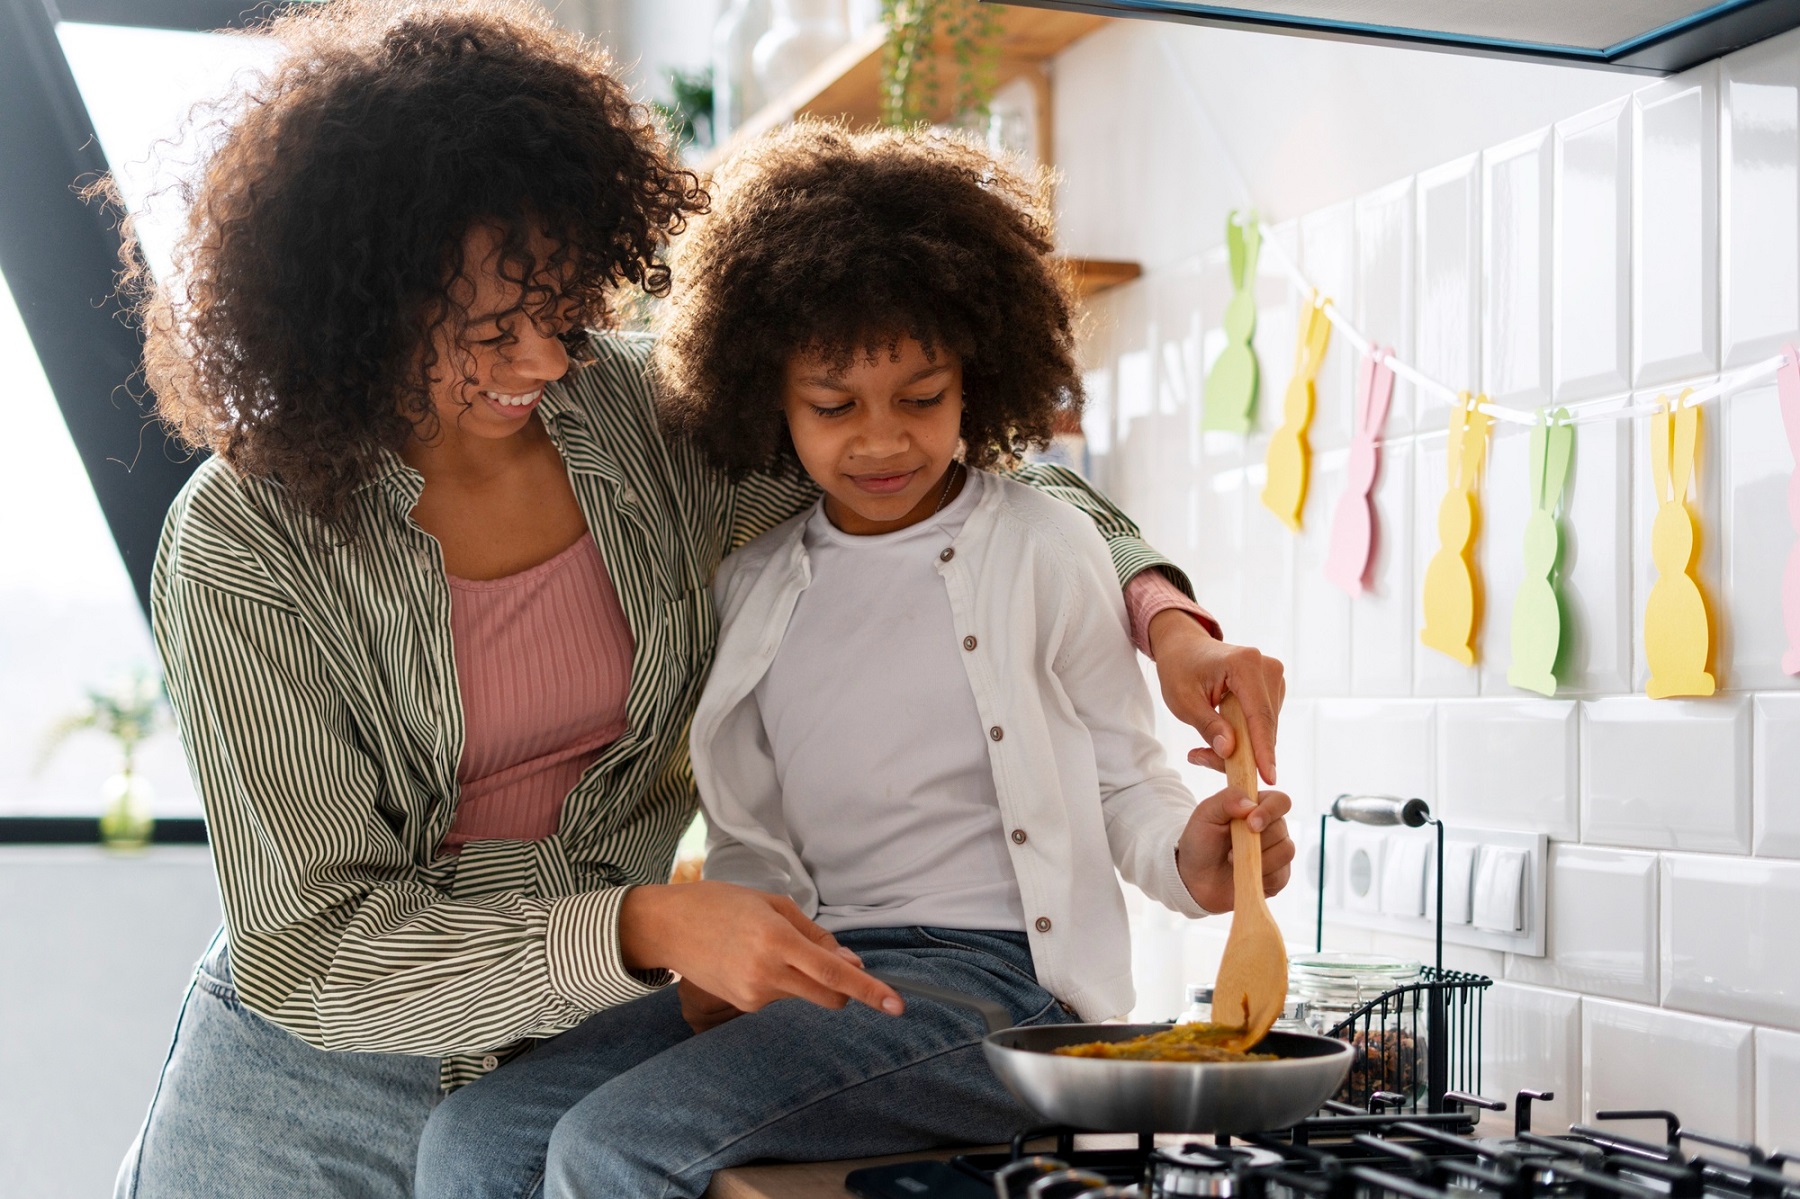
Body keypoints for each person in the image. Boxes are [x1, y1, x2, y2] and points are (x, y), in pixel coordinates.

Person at [111, 4, 1287, 1197]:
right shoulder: (243, 541)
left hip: (582, 1051)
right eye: (490, 331)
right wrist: (645, 925)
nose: (545, 361)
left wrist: (1164, 620)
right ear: (358, 309)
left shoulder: (642, 422)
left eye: (560, 308)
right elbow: (312, 949)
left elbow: (962, 484)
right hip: (320, 1094)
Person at [410, 122, 1296, 1199]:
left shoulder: (1041, 545)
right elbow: (752, 836)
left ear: (980, 381)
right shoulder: (754, 582)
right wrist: (729, 961)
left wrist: (1190, 860)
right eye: (833, 406)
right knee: (475, 1137)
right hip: (815, 969)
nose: (882, 440)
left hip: (1001, 989)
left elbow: (1124, 777)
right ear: (768, 394)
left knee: (617, 1144)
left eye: (923, 398)